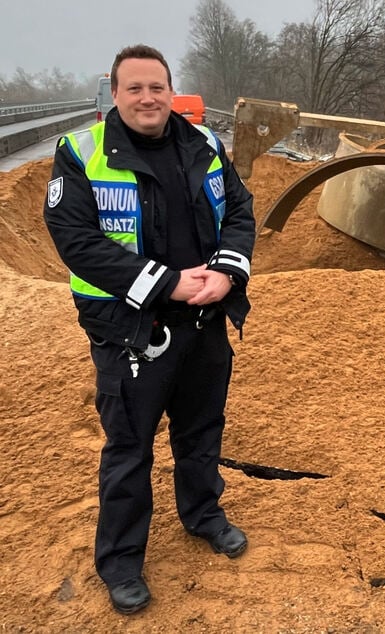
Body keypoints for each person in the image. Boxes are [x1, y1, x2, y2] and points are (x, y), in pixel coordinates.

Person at [43, 44, 256, 614]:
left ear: (170, 90)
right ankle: (120, 562)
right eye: (134, 88)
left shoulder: (204, 144)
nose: (147, 98)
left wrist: (228, 273)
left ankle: (203, 515)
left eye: (156, 87)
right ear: (115, 93)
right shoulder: (80, 154)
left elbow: (239, 209)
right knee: (130, 448)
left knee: (201, 430)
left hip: (205, 322)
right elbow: (78, 242)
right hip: (131, 330)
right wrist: (169, 284)